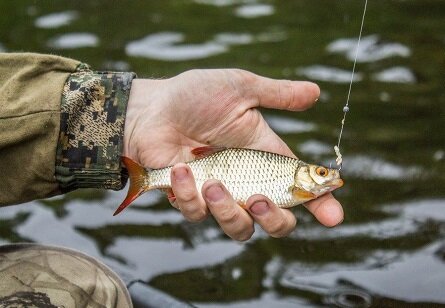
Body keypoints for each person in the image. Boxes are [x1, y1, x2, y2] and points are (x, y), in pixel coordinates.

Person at [0, 52, 343, 307]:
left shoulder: (294, 181)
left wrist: (133, 115)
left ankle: (146, 176)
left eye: (323, 173)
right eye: (321, 173)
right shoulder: (295, 185)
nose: (325, 176)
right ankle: (146, 178)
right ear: (306, 175)